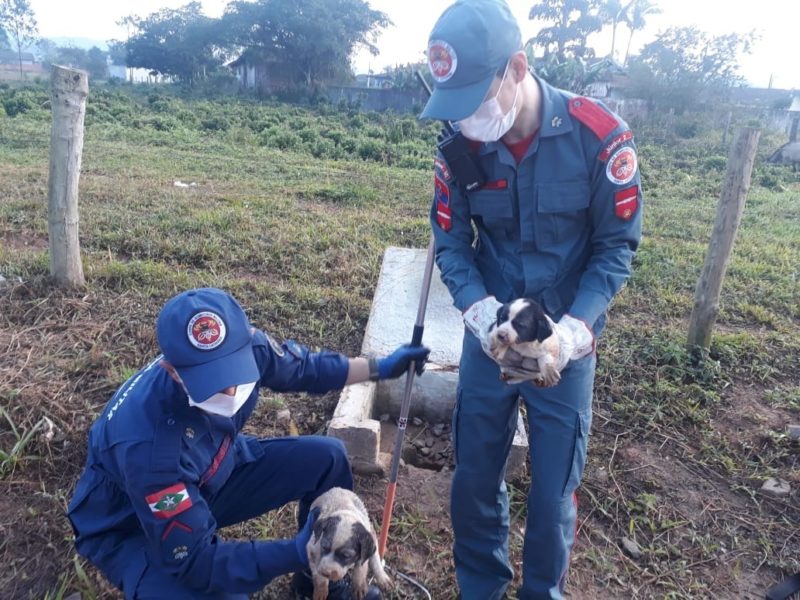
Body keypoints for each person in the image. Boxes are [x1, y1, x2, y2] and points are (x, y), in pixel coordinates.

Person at [421, 1, 643, 598]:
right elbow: (451, 244)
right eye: (455, 104)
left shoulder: (599, 136)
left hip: (560, 347)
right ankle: (481, 588)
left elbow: (616, 246)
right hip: (490, 338)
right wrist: (475, 313)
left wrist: (574, 330)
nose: (467, 118)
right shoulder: (458, 150)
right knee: (473, 480)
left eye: (475, 97)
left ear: (517, 68)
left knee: (551, 494)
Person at [67, 287, 430, 600]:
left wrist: (380, 367)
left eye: (232, 372)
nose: (228, 390)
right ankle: (308, 559)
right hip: (134, 524)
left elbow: (302, 367)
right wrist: (294, 550)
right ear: (171, 370)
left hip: (212, 468)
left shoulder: (244, 346)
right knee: (223, 592)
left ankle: (316, 583)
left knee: (328, 458)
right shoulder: (150, 449)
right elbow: (195, 562)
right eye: (211, 381)